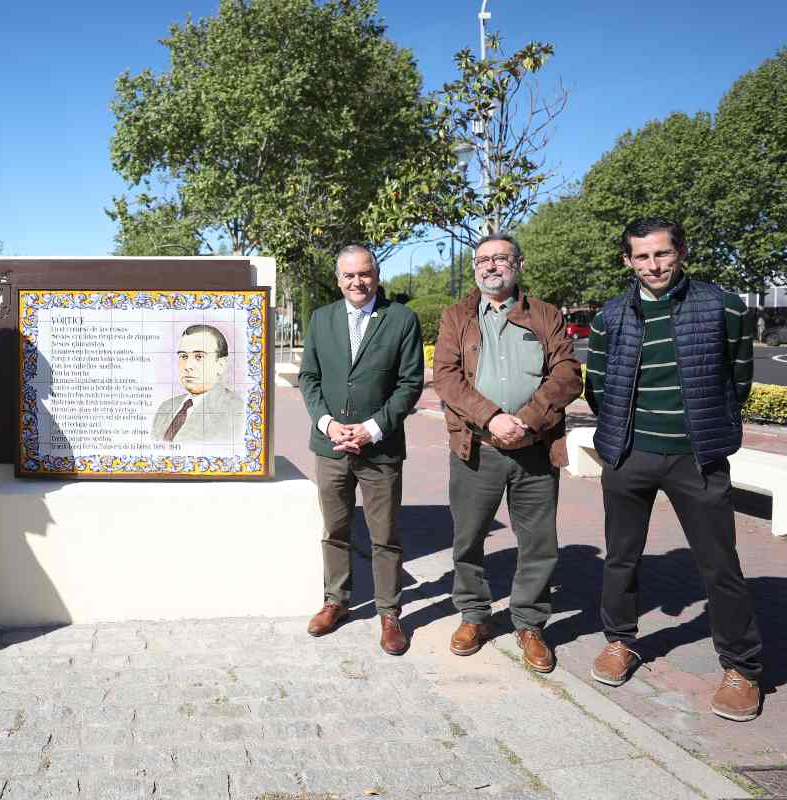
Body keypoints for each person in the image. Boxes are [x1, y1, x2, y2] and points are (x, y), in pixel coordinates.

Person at [585, 217, 763, 721]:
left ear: (680, 252)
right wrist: (624, 435)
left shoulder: (722, 306)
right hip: (628, 454)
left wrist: (704, 429)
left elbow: (738, 378)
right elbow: (597, 385)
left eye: (661, 254)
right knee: (621, 557)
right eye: (641, 257)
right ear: (627, 261)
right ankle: (620, 641)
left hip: (697, 457)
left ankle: (742, 667)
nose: (653, 265)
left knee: (720, 564)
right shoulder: (612, 315)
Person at [432, 234, 582, 672]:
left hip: (534, 451)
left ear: (519, 263)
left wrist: (528, 420)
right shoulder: (456, 315)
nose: (490, 266)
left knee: (538, 543)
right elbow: (445, 377)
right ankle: (475, 616)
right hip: (476, 448)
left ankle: (530, 623)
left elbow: (568, 375)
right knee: (468, 539)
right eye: (482, 259)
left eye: (500, 258)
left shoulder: (546, 314)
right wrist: (493, 417)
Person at [298, 244, 424, 654]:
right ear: (339, 280)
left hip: (379, 449)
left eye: (365, 273)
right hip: (330, 446)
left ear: (377, 275)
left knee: (384, 534)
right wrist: (328, 423)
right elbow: (309, 379)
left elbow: (410, 384)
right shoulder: (321, 319)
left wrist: (372, 429)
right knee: (335, 530)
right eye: (349, 275)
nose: (358, 282)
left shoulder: (402, 320)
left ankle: (390, 613)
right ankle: (336, 602)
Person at [149, 324, 246, 444]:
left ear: (221, 364)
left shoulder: (238, 412)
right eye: (183, 356)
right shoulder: (166, 407)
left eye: (199, 356)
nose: (188, 366)